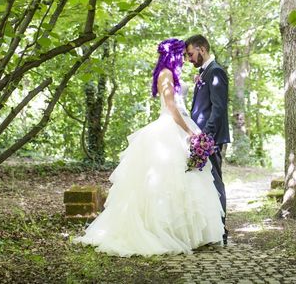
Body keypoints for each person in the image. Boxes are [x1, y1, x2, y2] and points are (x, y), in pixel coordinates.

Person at [73, 38, 224, 256]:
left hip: (180, 125)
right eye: (182, 55)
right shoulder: (166, 74)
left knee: (184, 181)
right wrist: (191, 133)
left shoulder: (172, 75)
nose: (184, 60)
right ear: (173, 55)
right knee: (169, 180)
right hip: (171, 127)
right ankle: (164, 231)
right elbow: (171, 107)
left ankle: (185, 234)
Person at [184, 34, 231, 246]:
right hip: (203, 137)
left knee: (215, 182)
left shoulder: (216, 72)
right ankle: (211, 228)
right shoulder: (205, 73)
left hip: (209, 139)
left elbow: (218, 108)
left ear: (202, 49)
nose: (189, 59)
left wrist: (205, 137)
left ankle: (220, 228)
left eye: (191, 54)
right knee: (206, 183)